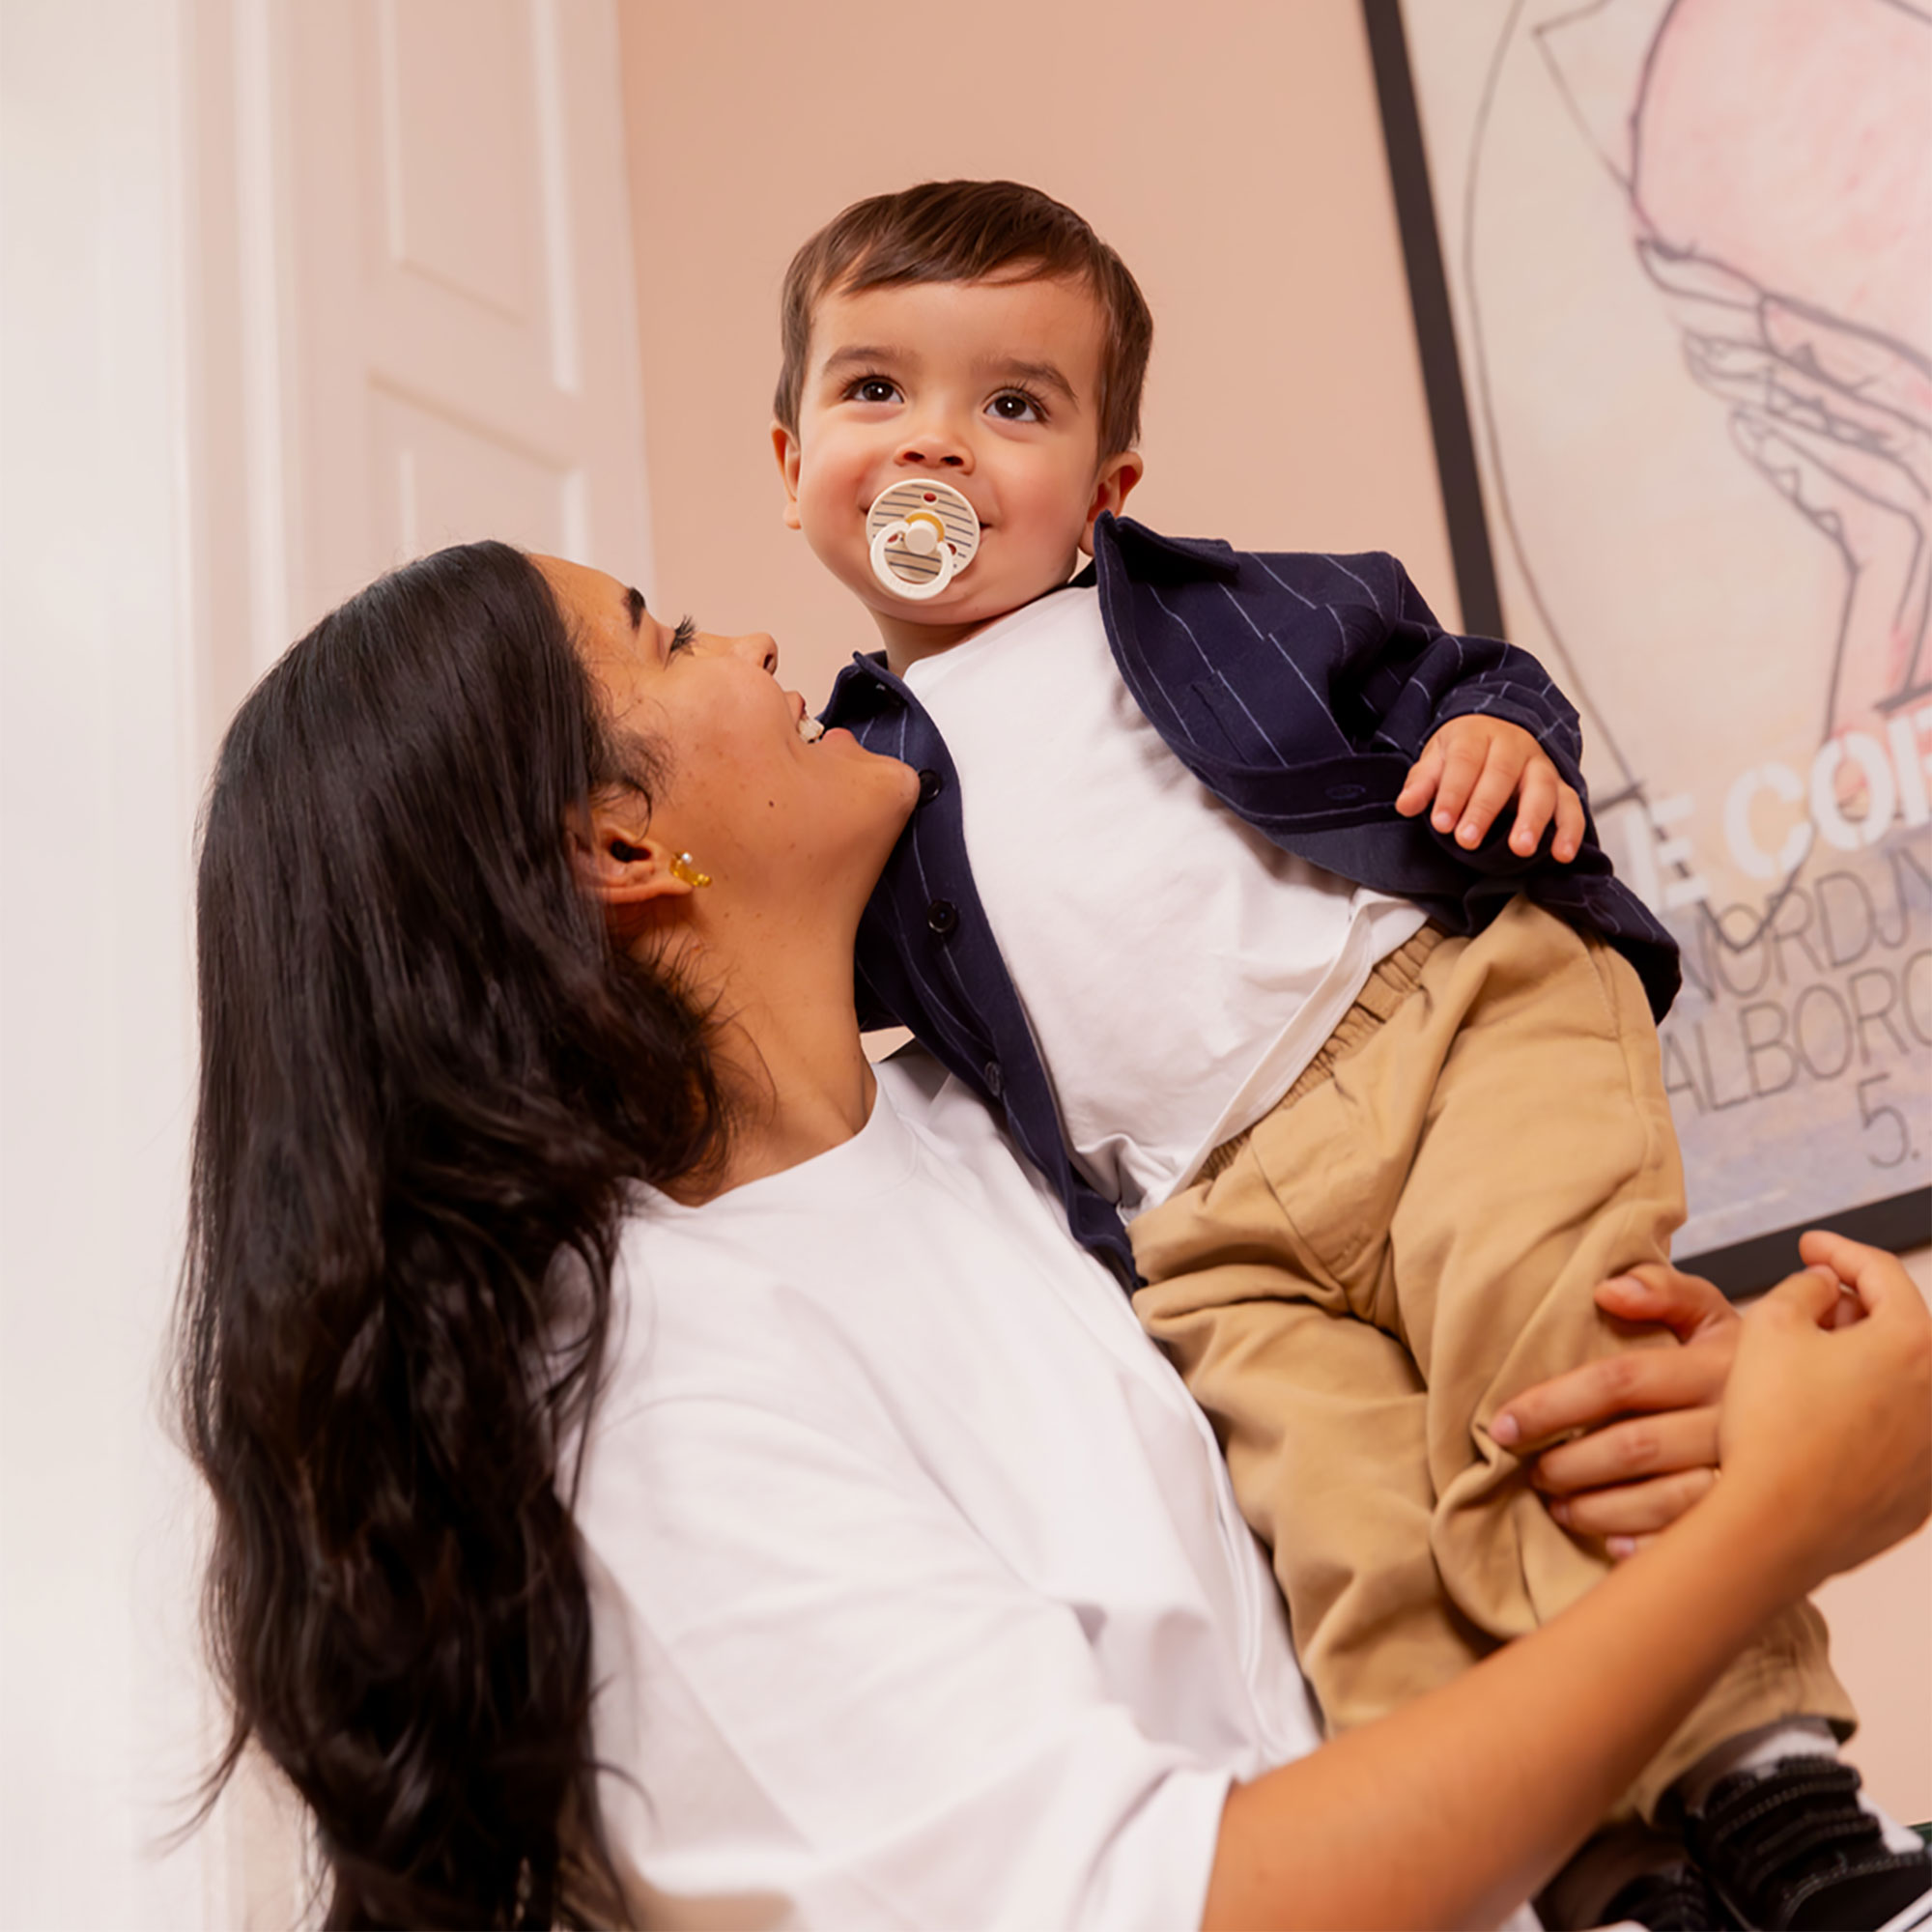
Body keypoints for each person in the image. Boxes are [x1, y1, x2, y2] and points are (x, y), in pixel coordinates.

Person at [176, 540, 1932, 1929]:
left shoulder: (1010, 1141)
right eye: (673, 636)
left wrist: (1651, 1407)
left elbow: (1373, 1454)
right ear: (619, 843)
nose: (761, 647)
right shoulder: (649, 1421)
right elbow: (1174, 1907)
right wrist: (1781, 1516)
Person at [771, 177, 1932, 1927]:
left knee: (1560, 1380)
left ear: (1105, 488)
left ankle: (1788, 1814)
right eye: (877, 390)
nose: (935, 443)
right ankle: (1604, 1884)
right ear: (792, 459)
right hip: (1206, 1227)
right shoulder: (842, 784)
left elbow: (1464, 674)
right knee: (1349, 1534)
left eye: (1011, 404)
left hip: (1440, 1034)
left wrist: (1501, 739)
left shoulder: (1216, 608)